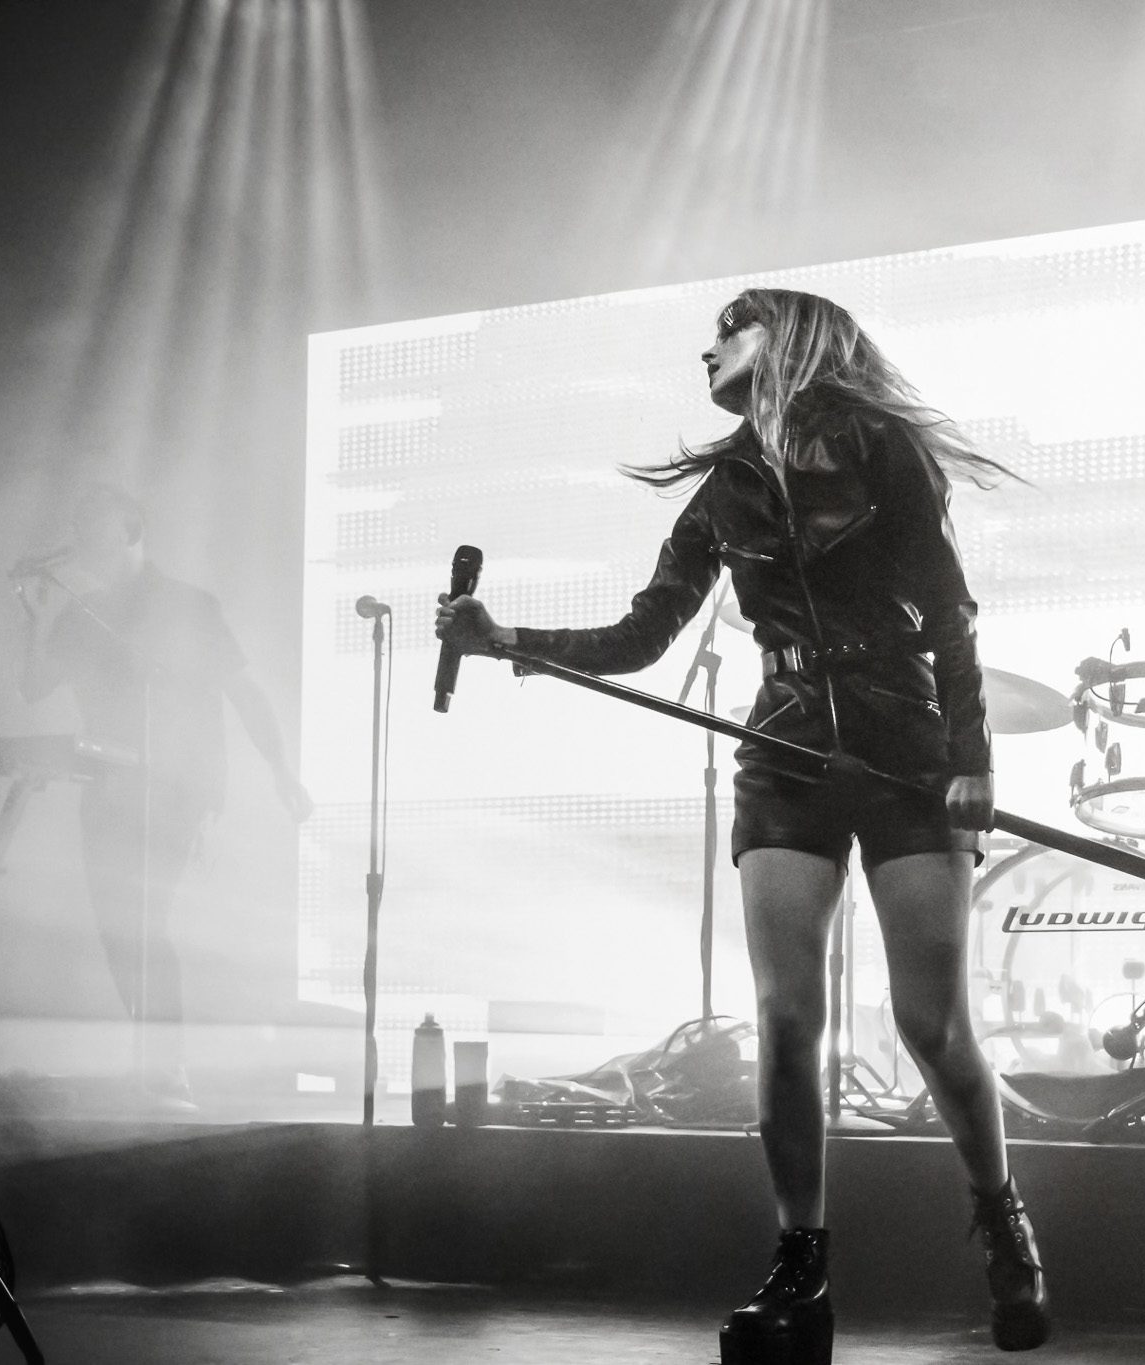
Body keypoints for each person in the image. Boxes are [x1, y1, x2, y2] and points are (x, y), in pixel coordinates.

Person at [434, 290, 1049, 1357]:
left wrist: (971, 760)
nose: (707, 344)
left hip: (902, 746)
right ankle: (798, 1261)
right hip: (785, 756)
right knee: (784, 1021)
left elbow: (947, 613)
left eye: (732, 325)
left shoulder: (881, 447)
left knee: (929, 1025)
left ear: (794, 338)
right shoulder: (723, 487)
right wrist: (503, 638)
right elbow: (642, 635)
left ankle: (999, 1219)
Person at [19, 484, 312, 1107]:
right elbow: (34, 687)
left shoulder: (186, 606)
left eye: (95, 529)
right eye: (79, 529)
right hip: (105, 788)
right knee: (117, 930)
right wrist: (40, 618)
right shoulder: (77, 612)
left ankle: (167, 1067)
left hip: (179, 788)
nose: (82, 542)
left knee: (142, 923)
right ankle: (150, 1062)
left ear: (130, 532)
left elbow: (245, 693)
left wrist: (281, 771)